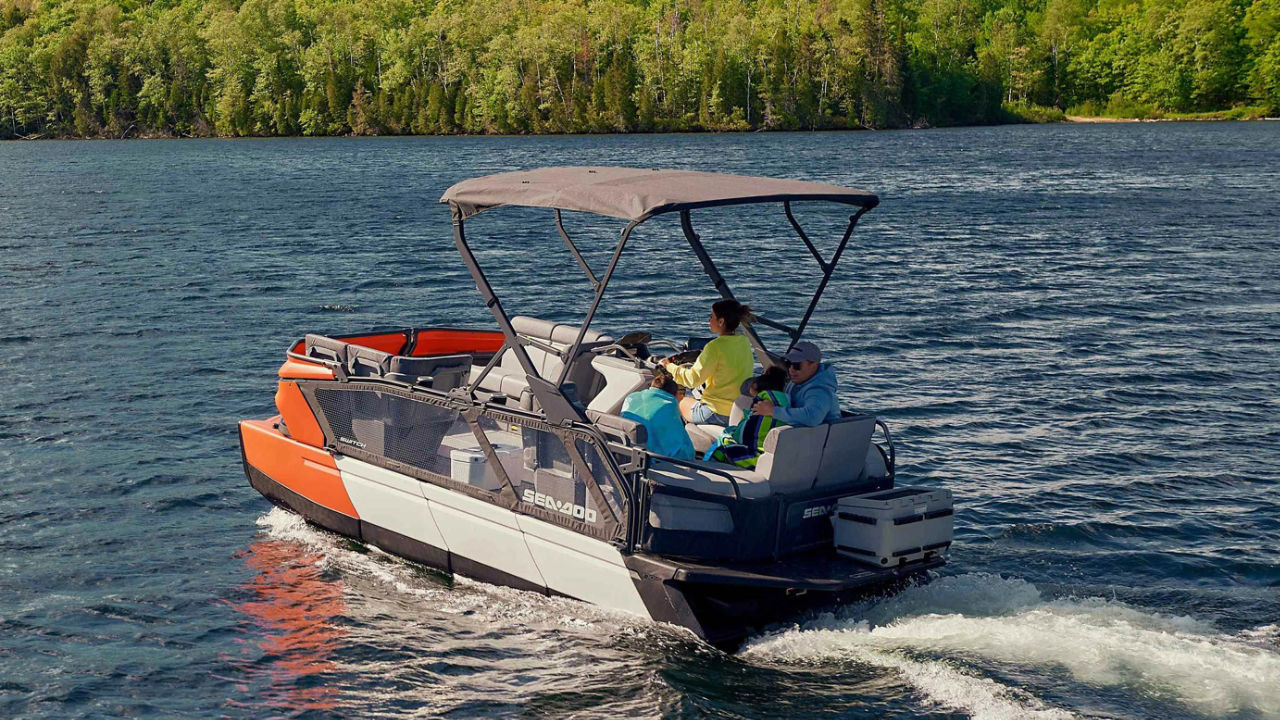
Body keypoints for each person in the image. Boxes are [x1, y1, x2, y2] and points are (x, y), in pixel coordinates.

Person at [660, 299, 756, 426]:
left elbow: (692, 380)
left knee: (678, 400)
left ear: (721, 322)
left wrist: (669, 366)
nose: (709, 320)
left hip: (715, 413)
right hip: (738, 412)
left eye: (712, 317)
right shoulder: (744, 342)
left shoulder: (714, 347)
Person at [706, 366, 790, 468]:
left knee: (722, 447)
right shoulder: (786, 401)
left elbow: (745, 435)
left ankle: (707, 467)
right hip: (775, 458)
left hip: (756, 456)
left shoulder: (762, 403)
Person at [753, 341, 841, 426]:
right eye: (788, 364)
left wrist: (773, 411)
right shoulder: (797, 380)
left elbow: (812, 417)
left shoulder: (820, 390)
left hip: (819, 438)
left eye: (796, 365)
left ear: (814, 366)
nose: (791, 369)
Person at [620, 367, 695, 460]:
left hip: (625, 452)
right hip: (651, 462)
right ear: (674, 395)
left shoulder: (631, 397)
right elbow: (684, 450)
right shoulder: (668, 407)